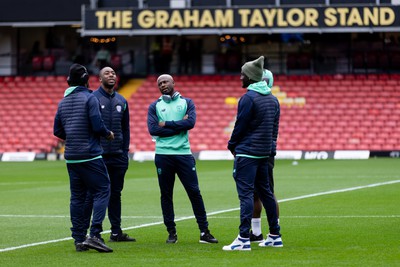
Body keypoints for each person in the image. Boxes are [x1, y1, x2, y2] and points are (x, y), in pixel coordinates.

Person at [147, 74, 218, 244]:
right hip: (163, 155)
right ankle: (171, 232)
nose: (163, 84)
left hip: (184, 154)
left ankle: (204, 232)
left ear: (173, 83)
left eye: (166, 82)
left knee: (194, 192)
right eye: (160, 83)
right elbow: (153, 130)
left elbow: (191, 123)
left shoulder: (187, 102)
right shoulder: (154, 106)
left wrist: (167, 124)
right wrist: (178, 126)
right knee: (166, 194)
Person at [53, 63, 115, 253]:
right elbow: (97, 125)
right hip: (89, 154)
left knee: (77, 197)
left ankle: (79, 239)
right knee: (103, 190)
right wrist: (108, 134)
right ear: (87, 80)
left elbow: (57, 130)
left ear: (69, 81)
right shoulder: (89, 98)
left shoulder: (62, 102)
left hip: (71, 156)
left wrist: (73, 135)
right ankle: (95, 234)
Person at [223, 56, 282, 251]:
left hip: (247, 153)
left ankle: (243, 238)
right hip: (264, 154)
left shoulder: (248, 98)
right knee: (266, 193)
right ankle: (275, 235)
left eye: (243, 74)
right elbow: (274, 130)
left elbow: (240, 126)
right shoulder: (272, 99)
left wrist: (232, 145)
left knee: (246, 195)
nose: (240, 77)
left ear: (250, 77)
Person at [83, 66, 135, 242]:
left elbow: (126, 128)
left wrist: (125, 150)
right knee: (93, 193)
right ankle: (88, 232)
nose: (111, 75)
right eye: (107, 73)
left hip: (119, 156)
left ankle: (116, 232)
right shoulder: (92, 98)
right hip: (99, 156)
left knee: (116, 193)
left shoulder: (122, 100)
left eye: (113, 72)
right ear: (99, 79)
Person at [250, 68, 280, 243]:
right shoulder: (271, 101)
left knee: (267, 192)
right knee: (255, 193)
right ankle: (256, 232)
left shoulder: (266, 101)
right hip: (262, 150)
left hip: (261, 151)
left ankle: (274, 232)